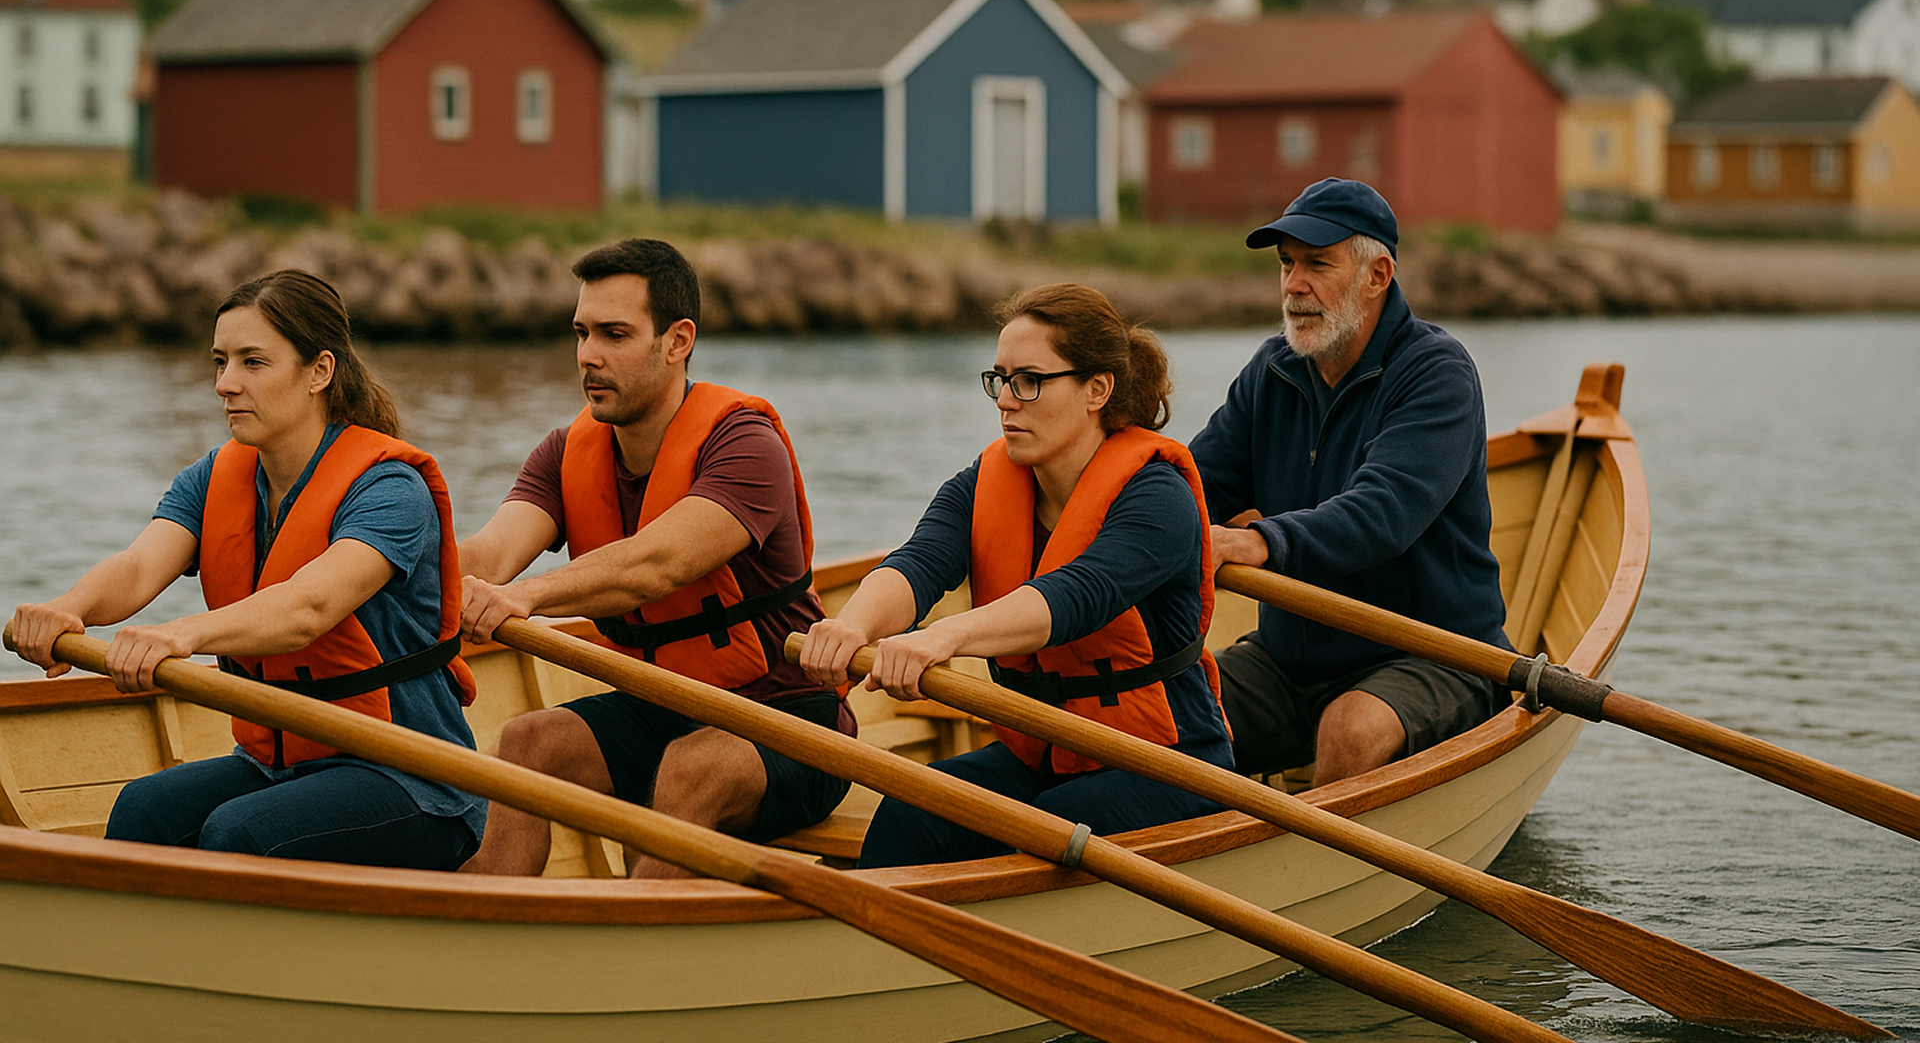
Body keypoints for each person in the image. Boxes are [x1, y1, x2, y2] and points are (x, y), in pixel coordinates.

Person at [7, 270, 485, 869]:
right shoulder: (214, 478)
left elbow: (308, 608)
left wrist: (180, 634)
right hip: (276, 763)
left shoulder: (391, 489)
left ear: (319, 372)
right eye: (220, 361)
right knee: (144, 809)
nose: (225, 384)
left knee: (240, 832)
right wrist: (67, 608)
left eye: (252, 362)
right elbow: (135, 568)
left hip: (414, 779)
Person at [800, 283, 1233, 868]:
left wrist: (941, 638)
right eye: (999, 378)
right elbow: (917, 563)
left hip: (1168, 761)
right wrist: (852, 626)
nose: (1006, 400)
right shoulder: (982, 485)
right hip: (1044, 754)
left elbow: (1079, 594)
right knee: (910, 812)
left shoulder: (1158, 497)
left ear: (1096, 389)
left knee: (1031, 836)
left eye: (1029, 380)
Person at [457, 237, 848, 879]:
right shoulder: (564, 453)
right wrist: (379, 574)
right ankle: (478, 937)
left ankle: (635, 956)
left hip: (788, 721)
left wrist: (528, 597)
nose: (588, 356)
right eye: (581, 333)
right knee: (527, 742)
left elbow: (656, 565)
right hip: (657, 703)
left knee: (692, 766)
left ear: (677, 341)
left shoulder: (745, 443)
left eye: (614, 334)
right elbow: (490, 552)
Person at [1188, 177, 1513, 788]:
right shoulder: (1272, 371)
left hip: (1435, 656)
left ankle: (1302, 875)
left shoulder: (1437, 374)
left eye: (1317, 264)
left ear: (1377, 275)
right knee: (1162, 704)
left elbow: (1380, 515)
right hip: (1288, 663)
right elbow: (1193, 484)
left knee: (1351, 729)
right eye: (1286, 265)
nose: (1292, 285)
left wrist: (1262, 542)